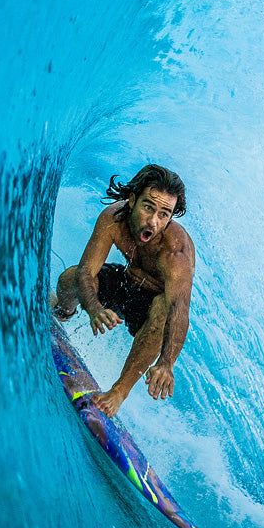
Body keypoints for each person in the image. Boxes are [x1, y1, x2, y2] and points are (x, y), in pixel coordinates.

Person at [52, 164, 195, 417]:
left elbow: (179, 311)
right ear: (132, 200)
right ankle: (61, 313)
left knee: (163, 309)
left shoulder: (175, 252)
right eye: (148, 207)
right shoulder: (113, 220)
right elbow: (87, 271)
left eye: (164, 214)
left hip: (150, 311)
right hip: (126, 282)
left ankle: (118, 392)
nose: (154, 221)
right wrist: (95, 309)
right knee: (69, 278)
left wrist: (166, 364)